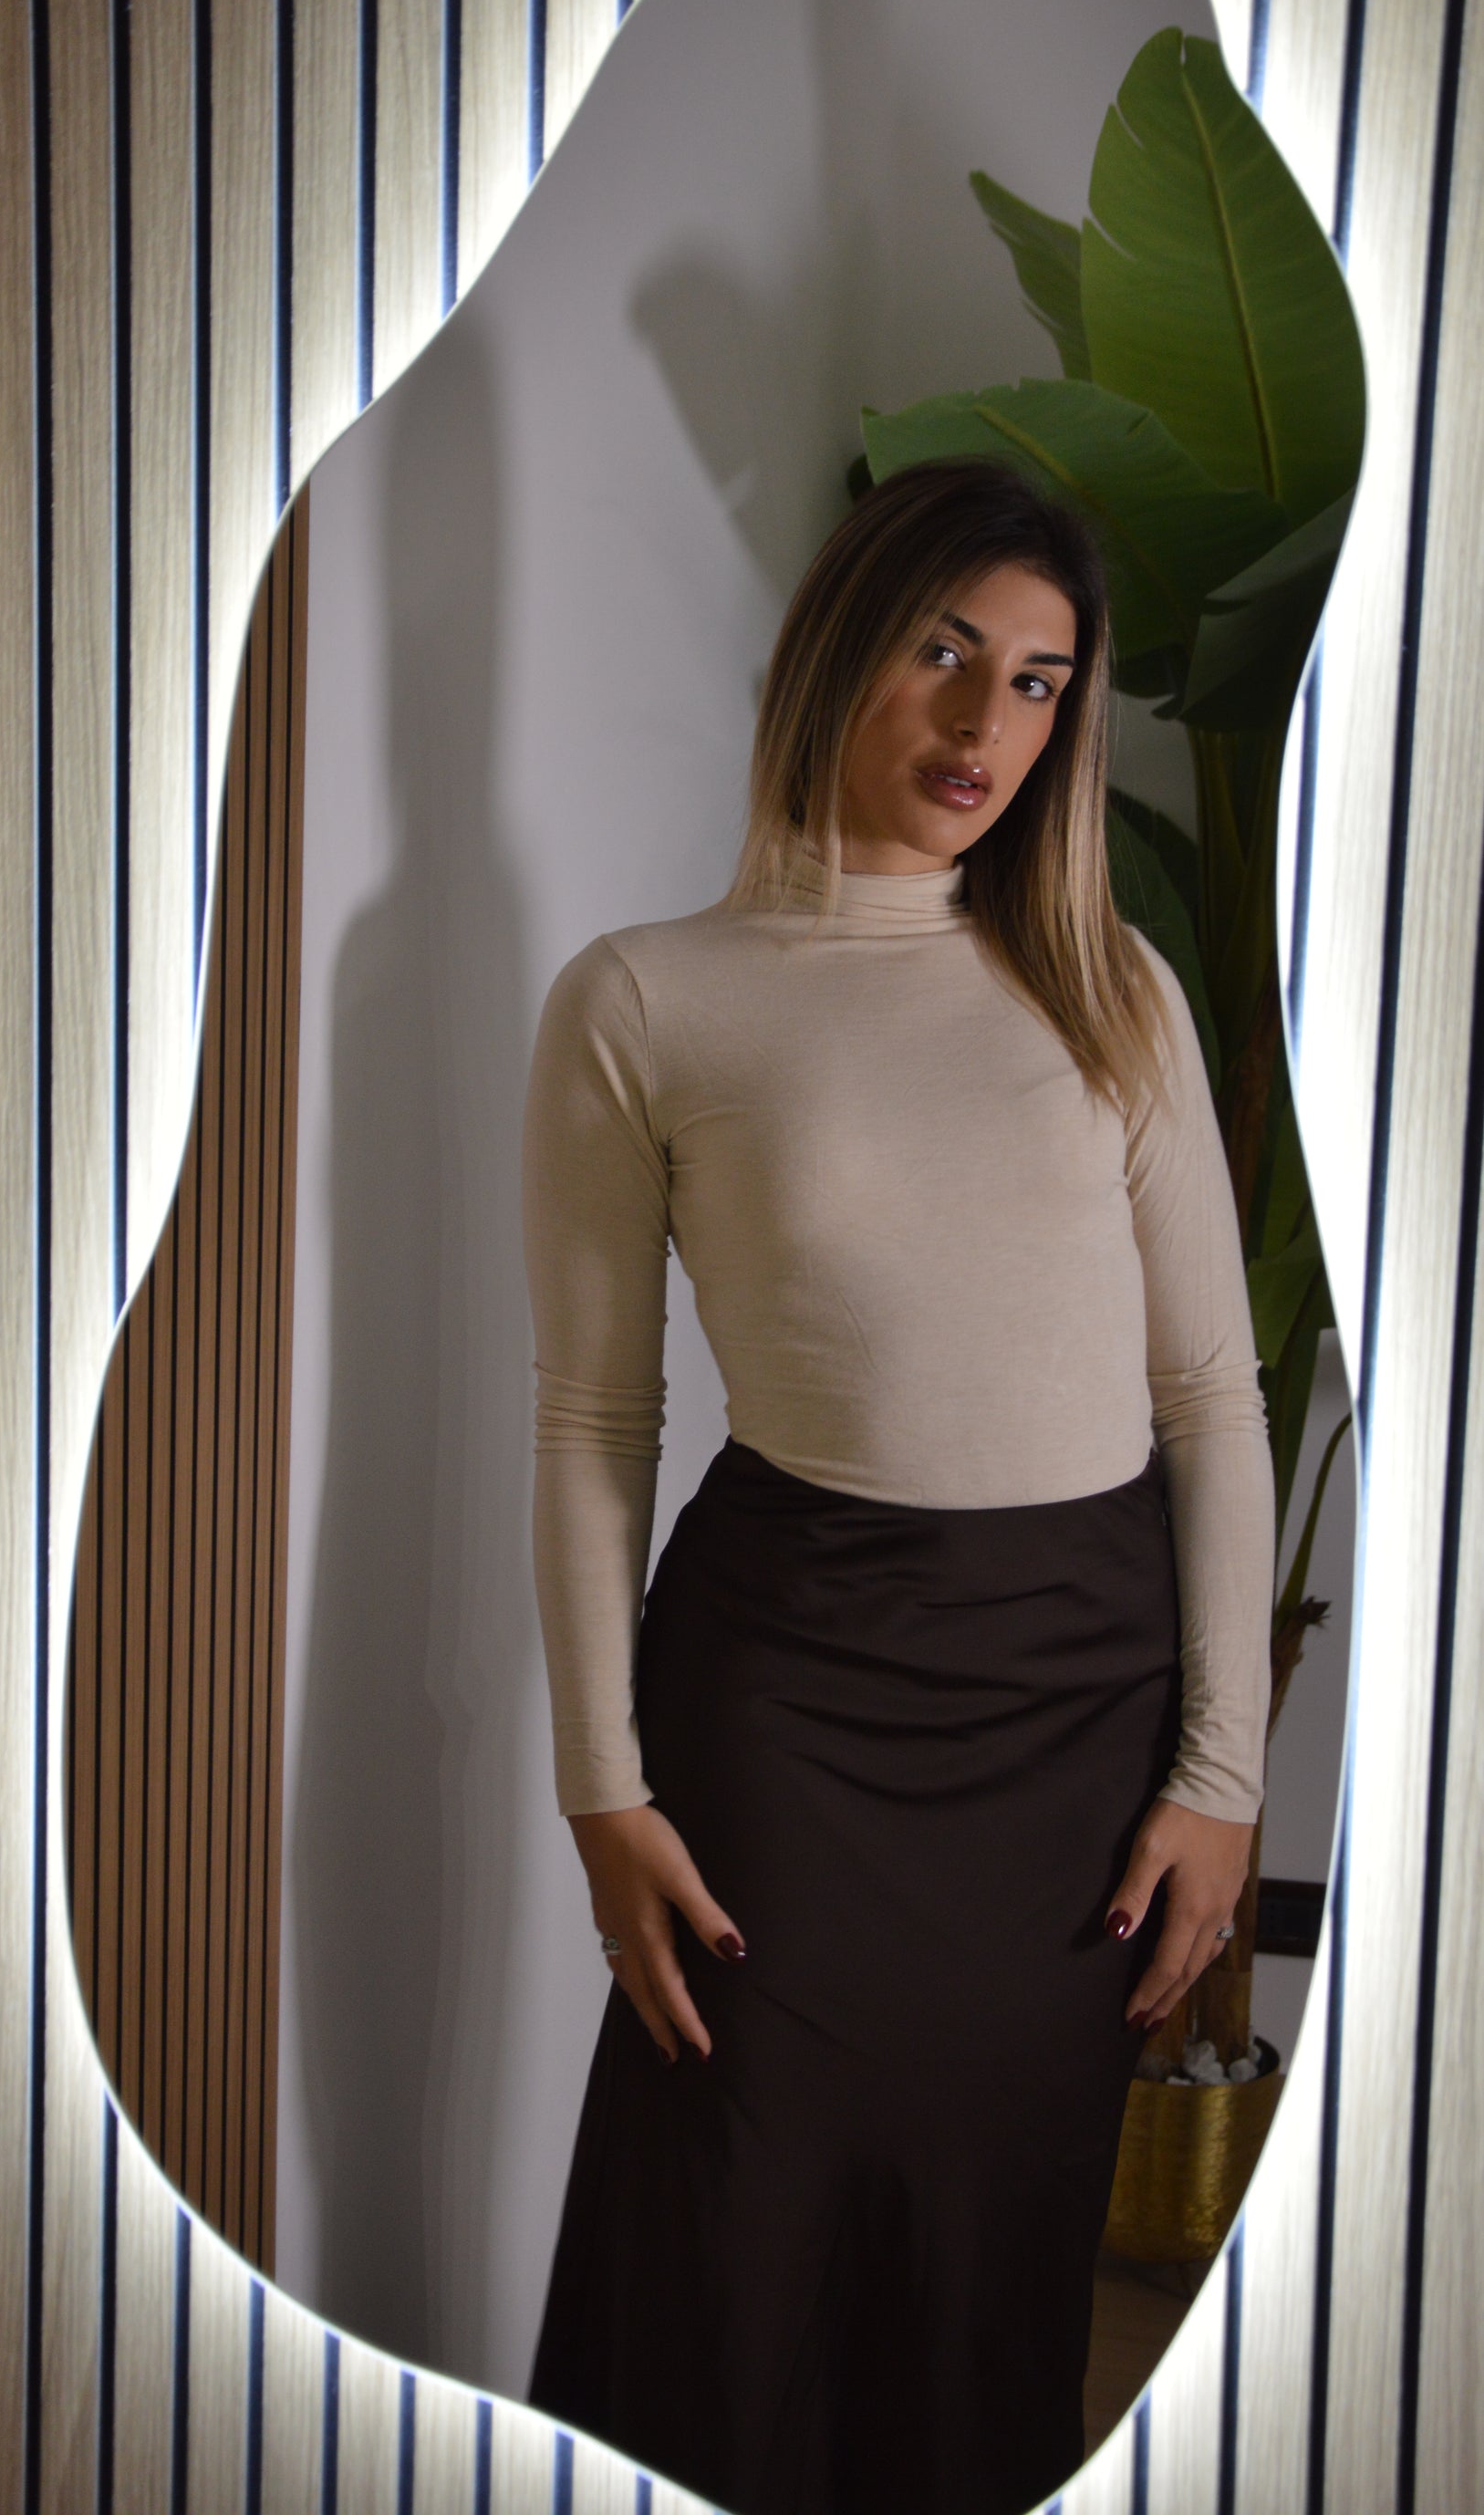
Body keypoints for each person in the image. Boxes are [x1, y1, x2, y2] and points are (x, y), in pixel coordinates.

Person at [517, 456, 1273, 2515]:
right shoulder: (645, 998)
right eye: (943, 651)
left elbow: (1208, 1393)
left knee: (985, 2272)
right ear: (837, 644)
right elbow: (590, 1421)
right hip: (790, 1695)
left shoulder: (1112, 988)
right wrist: (602, 1789)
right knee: (726, 2247)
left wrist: (1220, 1772)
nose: (981, 723)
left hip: (1071, 1715)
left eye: (1035, 682)